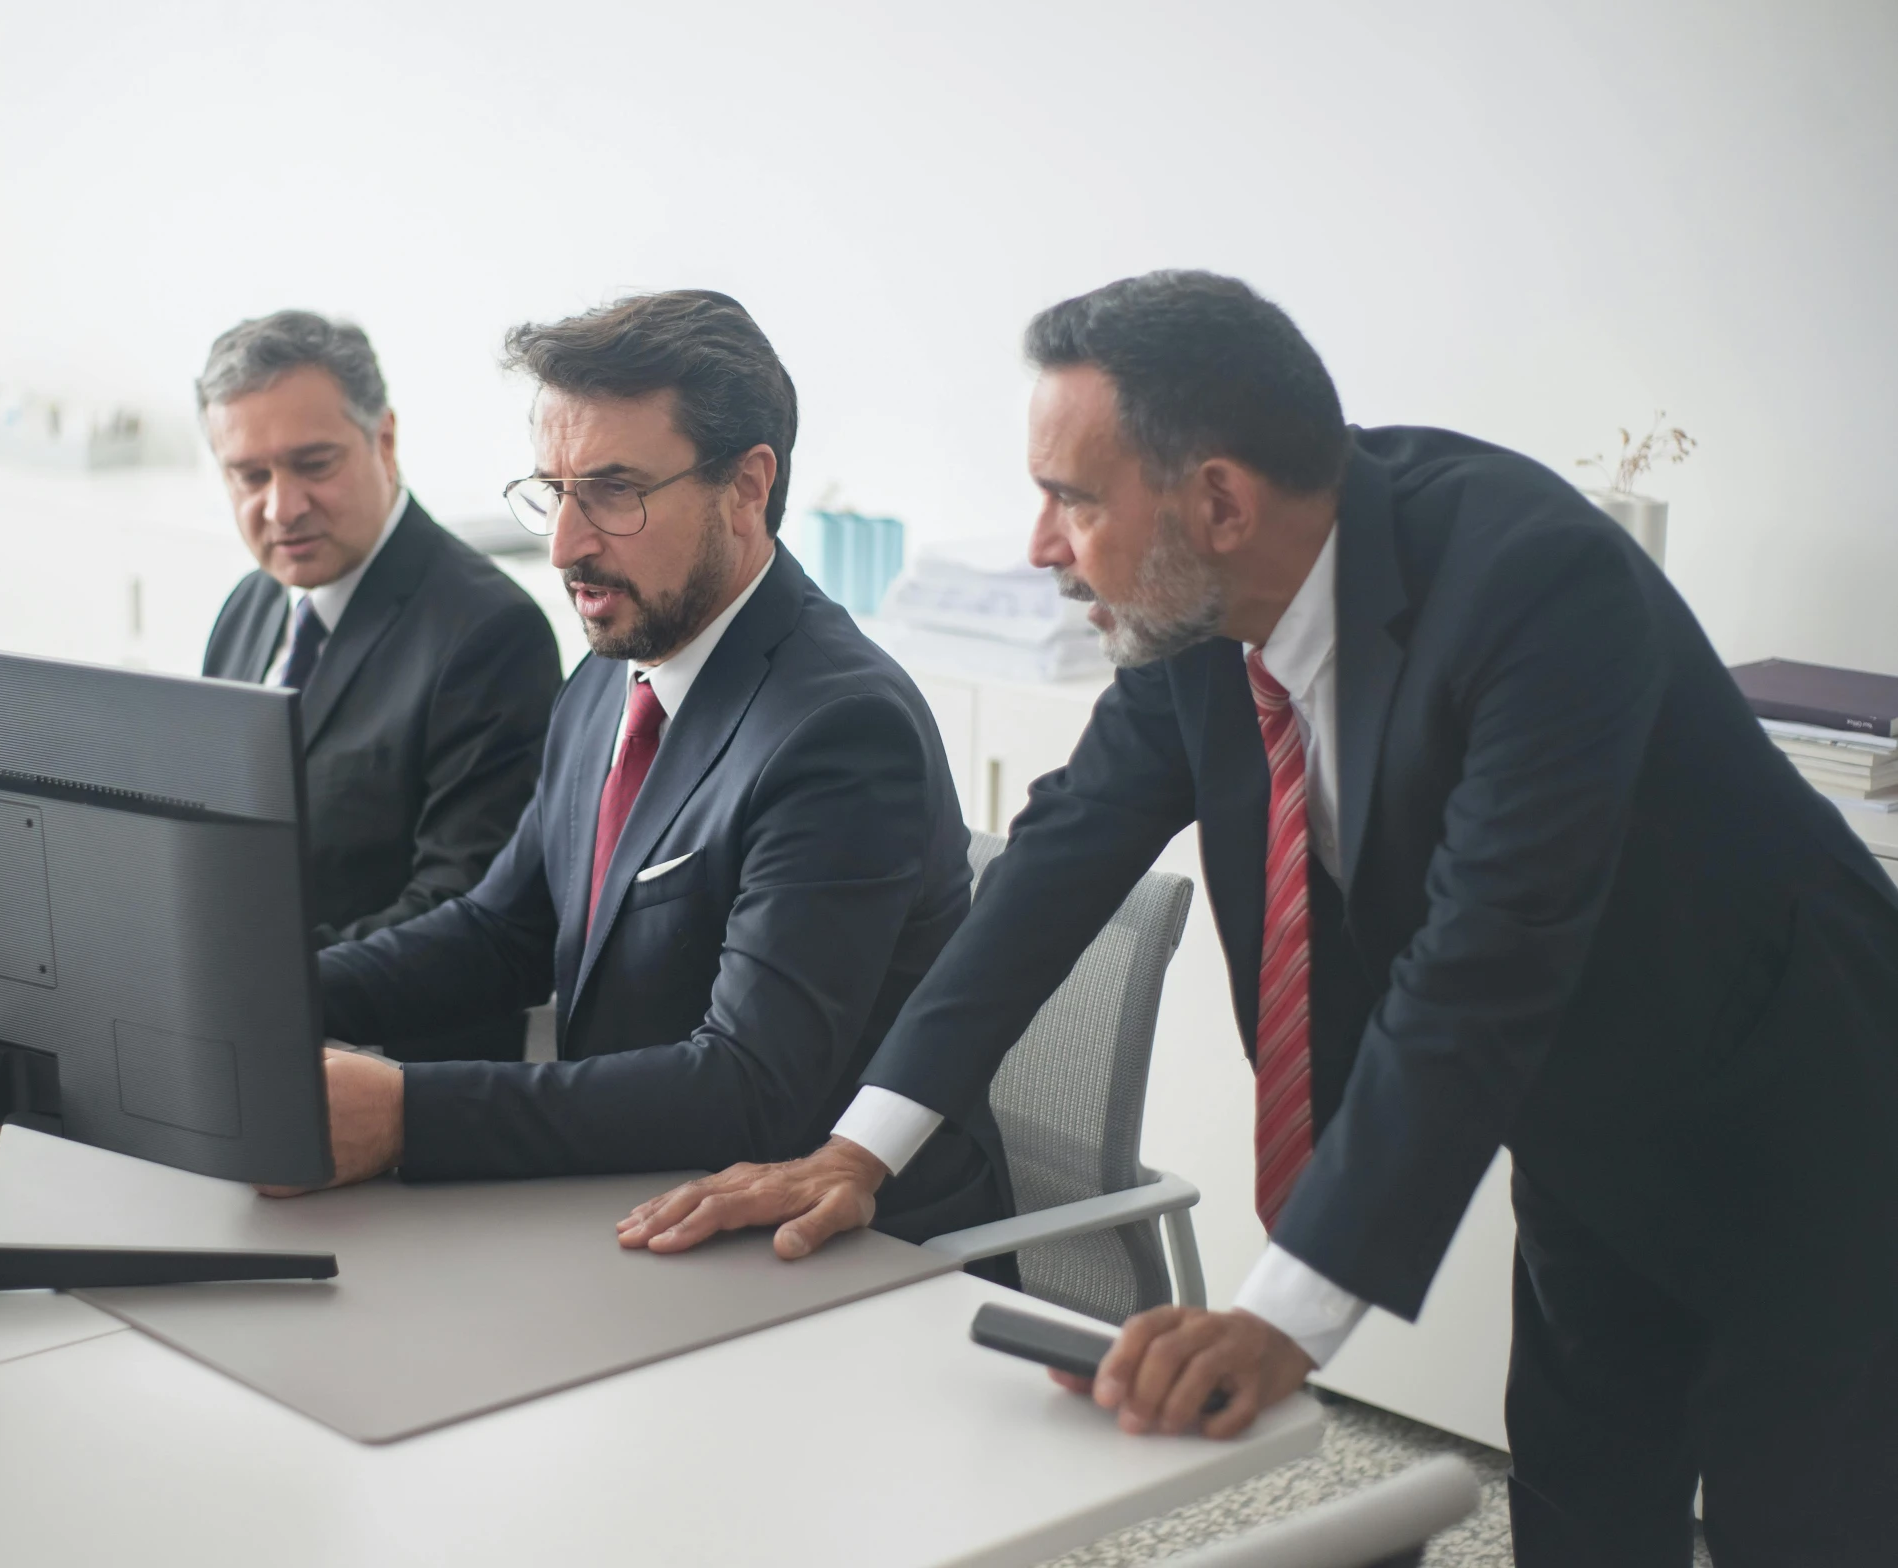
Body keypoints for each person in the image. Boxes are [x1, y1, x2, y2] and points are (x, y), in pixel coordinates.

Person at [617, 271, 1898, 1565]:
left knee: (1799, 1522)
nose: (1040, 548)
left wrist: (1281, 1313)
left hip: (1807, 1112)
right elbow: (1057, 860)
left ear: (1218, 500)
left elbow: (1480, 959)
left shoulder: (1537, 582)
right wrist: (860, 1150)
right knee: (1580, 1506)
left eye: (1071, 498)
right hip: (1581, 1105)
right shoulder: (1199, 621)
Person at [274, 290, 1005, 1251]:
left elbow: (748, 1083)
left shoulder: (841, 729)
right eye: (554, 490)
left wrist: (408, 1113)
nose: (566, 544)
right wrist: (277, 995)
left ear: (746, 486)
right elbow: (502, 933)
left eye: (615, 492)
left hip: (842, 1262)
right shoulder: (617, 667)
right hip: (634, 1210)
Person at [199, 311, 561, 1061]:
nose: (281, 506)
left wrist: (247, 987)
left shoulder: (488, 633)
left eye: (314, 464)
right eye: (250, 475)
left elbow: (459, 912)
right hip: (244, 1042)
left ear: (383, 440)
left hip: (393, 1070)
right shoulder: (250, 604)